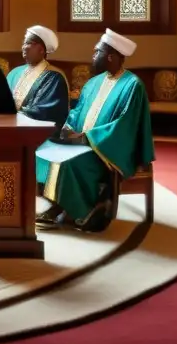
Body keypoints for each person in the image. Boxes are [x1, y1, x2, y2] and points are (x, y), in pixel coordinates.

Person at [35, 30, 154, 232]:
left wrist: (86, 138)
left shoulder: (132, 85)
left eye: (96, 52)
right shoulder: (93, 82)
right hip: (81, 142)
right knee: (43, 151)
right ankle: (56, 202)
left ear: (110, 56)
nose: (92, 56)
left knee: (68, 162)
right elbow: (77, 112)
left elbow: (125, 125)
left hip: (106, 149)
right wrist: (67, 129)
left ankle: (74, 209)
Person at [6, 25, 70, 126]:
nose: (24, 47)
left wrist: (11, 116)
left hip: (33, 133)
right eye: (23, 43)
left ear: (41, 49)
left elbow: (44, 112)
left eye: (28, 43)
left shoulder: (53, 76)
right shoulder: (15, 73)